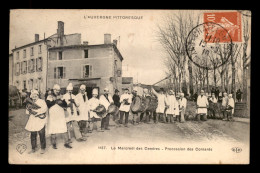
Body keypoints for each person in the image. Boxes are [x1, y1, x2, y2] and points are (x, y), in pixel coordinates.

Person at [46, 84, 72, 149]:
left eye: (58, 90)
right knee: (53, 129)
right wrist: (56, 100)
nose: (57, 91)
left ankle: (66, 143)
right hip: (53, 115)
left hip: (60, 114)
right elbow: (48, 105)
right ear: (53, 90)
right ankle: (54, 144)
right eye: (56, 90)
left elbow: (65, 104)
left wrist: (61, 100)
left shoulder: (61, 96)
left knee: (64, 128)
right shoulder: (49, 96)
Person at [25, 89, 47, 154]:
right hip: (33, 119)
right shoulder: (30, 102)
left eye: (35, 95)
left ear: (37, 95)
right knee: (33, 134)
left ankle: (43, 148)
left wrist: (37, 112)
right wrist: (29, 110)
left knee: (41, 134)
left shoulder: (42, 101)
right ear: (31, 96)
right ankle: (33, 148)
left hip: (40, 119)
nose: (34, 96)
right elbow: (27, 112)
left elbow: (44, 109)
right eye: (33, 95)